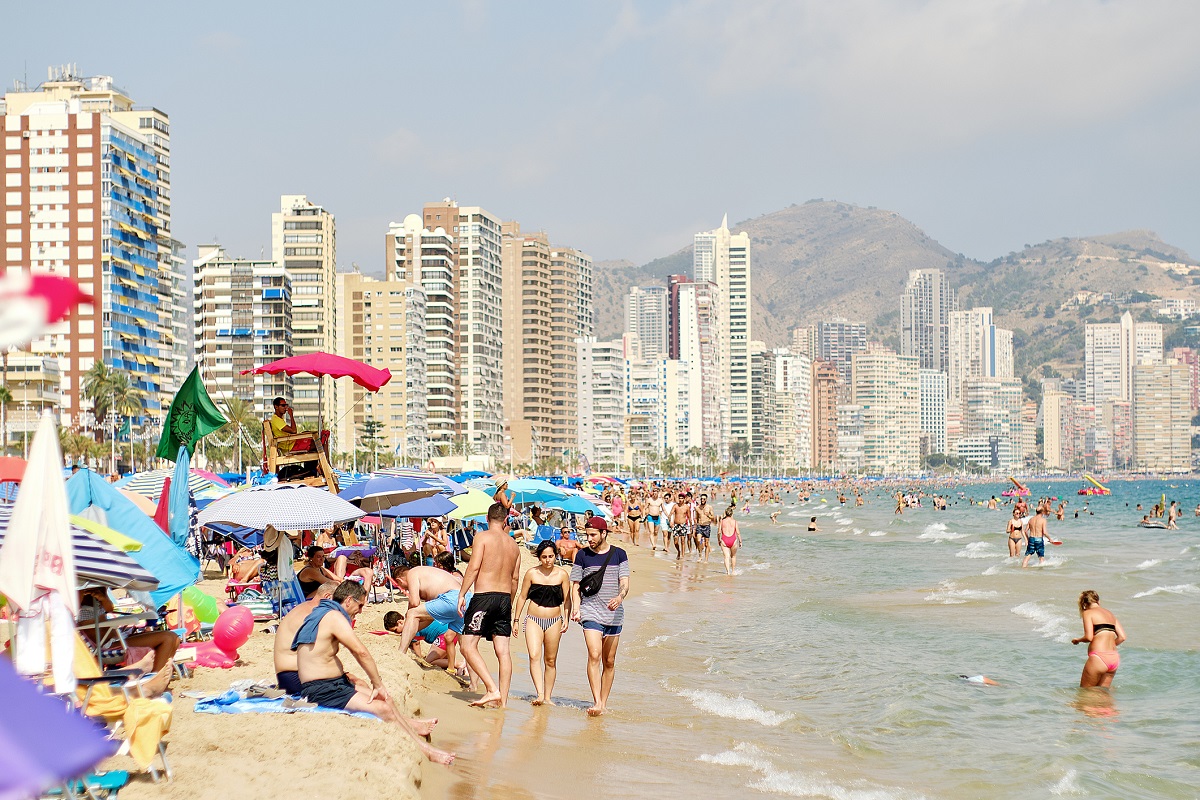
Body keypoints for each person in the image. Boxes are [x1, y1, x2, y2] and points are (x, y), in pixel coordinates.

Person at [292, 581, 453, 764]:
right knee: (383, 706)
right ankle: (427, 751)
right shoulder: (334, 617)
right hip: (322, 689)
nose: (360, 611)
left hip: (329, 682)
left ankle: (412, 724)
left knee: (385, 698)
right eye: (360, 605)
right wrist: (378, 683)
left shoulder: (322, 613)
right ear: (349, 600)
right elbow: (360, 652)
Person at [457, 501, 522, 708]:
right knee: (503, 651)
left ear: (487, 519)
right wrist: (509, 603)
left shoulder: (482, 537)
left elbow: (474, 567)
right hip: (504, 599)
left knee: (467, 646)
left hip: (484, 596)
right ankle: (502, 701)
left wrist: (462, 593)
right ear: (506, 520)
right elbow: (515, 579)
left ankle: (492, 690)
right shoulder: (514, 546)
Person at [570, 516, 630, 717]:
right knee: (594, 654)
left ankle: (603, 702)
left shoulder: (619, 554)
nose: (589, 539)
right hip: (590, 611)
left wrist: (620, 596)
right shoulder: (582, 556)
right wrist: (576, 608)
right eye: (587, 535)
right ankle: (596, 701)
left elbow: (625, 582)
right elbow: (576, 585)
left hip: (614, 613)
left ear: (604, 533)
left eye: (593, 535)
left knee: (609, 661)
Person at [78, 588, 179, 697]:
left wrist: (104, 598)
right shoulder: (83, 607)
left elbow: (109, 608)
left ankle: (160, 682)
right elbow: (97, 636)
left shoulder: (96, 600)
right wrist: (114, 626)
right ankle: (153, 681)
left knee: (175, 638)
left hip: (116, 638)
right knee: (167, 638)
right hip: (107, 644)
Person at [512, 541, 571, 705]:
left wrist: (566, 618)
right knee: (533, 655)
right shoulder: (532, 574)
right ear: (539, 557)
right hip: (533, 619)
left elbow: (567, 600)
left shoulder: (562, 575)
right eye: (544, 557)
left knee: (550, 660)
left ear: (555, 556)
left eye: (551, 556)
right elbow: (522, 596)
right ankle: (539, 693)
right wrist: (516, 620)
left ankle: (547, 697)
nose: (548, 560)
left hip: (554, 620)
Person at [392, 562, 468, 680]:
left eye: (404, 587)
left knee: (412, 613)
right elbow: (431, 618)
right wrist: (411, 628)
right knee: (467, 649)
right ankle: (474, 684)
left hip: (452, 597)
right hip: (465, 598)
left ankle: (400, 653)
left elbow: (414, 603)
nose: (406, 590)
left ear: (400, 581)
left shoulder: (413, 573)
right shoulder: (427, 577)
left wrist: (408, 618)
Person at [273, 581, 337, 694]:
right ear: (328, 597)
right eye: (338, 601)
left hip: (287, 675)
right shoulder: (312, 615)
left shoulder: (304, 608)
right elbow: (318, 654)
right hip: (294, 676)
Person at [1071, 590, 1126, 688]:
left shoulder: (1088, 613)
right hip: (1114, 658)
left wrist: (1077, 640)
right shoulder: (1110, 614)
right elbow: (1122, 637)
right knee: (1103, 695)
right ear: (1098, 601)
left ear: (1084, 604)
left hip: (1099, 658)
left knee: (1085, 693)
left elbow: (1089, 637)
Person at [297, 545, 373, 599]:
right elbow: (328, 582)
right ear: (311, 558)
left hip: (317, 594)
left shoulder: (320, 568)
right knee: (334, 586)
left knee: (337, 584)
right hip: (308, 598)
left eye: (323, 556)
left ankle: (363, 599)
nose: (322, 559)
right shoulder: (310, 571)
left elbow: (338, 579)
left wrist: (346, 582)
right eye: (318, 557)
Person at [269, 397, 316, 481]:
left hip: (293, 443)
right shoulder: (276, 419)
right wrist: (291, 415)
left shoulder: (279, 419)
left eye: (286, 405)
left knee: (316, 438)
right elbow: (294, 431)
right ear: (276, 407)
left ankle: (313, 469)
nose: (285, 408)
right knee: (318, 443)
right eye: (283, 405)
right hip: (291, 446)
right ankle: (316, 469)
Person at [718, 506, 742, 575]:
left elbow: (719, 532)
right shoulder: (734, 522)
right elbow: (738, 532)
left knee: (726, 556)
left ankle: (728, 572)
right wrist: (740, 541)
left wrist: (718, 540)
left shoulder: (722, 521)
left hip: (724, 539)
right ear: (732, 514)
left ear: (725, 513)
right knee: (733, 556)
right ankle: (733, 571)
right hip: (733, 540)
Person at [695, 494, 718, 563]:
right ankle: (700, 556)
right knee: (698, 540)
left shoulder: (709, 507)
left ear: (706, 499)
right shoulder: (697, 508)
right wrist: (695, 526)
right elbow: (696, 517)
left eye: (704, 499)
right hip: (699, 525)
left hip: (707, 526)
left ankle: (706, 559)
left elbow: (713, 517)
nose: (702, 500)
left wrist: (708, 515)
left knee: (706, 544)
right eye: (701, 499)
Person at [670, 493, 692, 560]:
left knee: (682, 540)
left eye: (682, 498)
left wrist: (691, 526)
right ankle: (678, 551)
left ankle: (682, 554)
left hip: (683, 525)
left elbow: (689, 517)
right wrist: (671, 521)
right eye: (679, 498)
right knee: (676, 541)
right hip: (676, 525)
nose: (680, 499)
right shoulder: (675, 506)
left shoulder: (686, 507)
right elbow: (671, 514)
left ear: (684, 499)